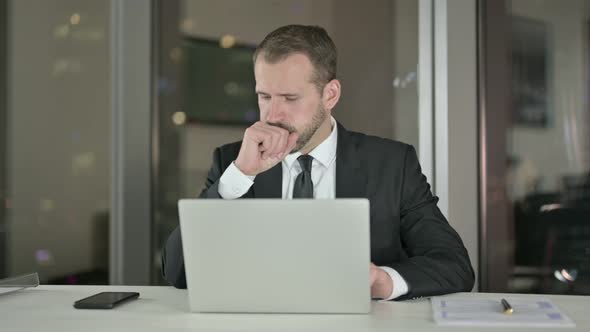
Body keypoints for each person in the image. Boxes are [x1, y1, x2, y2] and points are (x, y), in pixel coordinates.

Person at [161, 25, 474, 300]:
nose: (272, 115)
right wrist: (239, 176)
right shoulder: (233, 161)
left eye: (290, 98)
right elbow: (177, 272)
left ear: (331, 95)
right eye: (264, 96)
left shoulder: (393, 164)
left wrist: (383, 281)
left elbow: (454, 266)